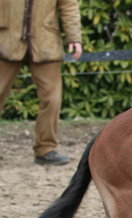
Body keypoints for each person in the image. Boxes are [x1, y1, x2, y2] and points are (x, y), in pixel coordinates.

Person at [0, 0, 82, 166]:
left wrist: (74, 36)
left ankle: (46, 149)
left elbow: (69, 5)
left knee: (52, 98)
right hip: (5, 42)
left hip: (46, 44)